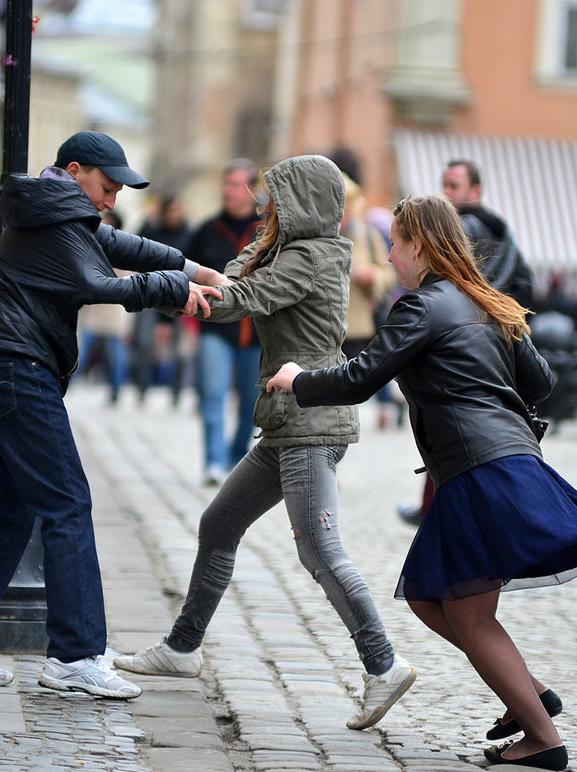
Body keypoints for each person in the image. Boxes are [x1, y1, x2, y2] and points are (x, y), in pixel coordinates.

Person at [266, 194, 577, 769]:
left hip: (478, 469)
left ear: (418, 244)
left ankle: (543, 738)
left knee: (467, 613)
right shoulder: (491, 303)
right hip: (504, 463)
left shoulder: (421, 307)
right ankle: (531, 694)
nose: (389, 255)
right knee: (427, 595)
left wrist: (297, 379)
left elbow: (362, 377)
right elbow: (539, 384)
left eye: (394, 243)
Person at [0, 130, 224, 699]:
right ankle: (76, 656)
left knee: (6, 516)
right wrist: (176, 289)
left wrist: (195, 269)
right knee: (68, 504)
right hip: (16, 369)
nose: (110, 199)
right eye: (106, 187)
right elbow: (95, 282)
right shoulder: (57, 216)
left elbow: (121, 247)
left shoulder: (52, 209)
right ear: (74, 170)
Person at [114, 155, 416, 730]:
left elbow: (242, 300)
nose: (263, 205)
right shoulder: (294, 249)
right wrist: (219, 268)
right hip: (286, 421)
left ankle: (384, 664)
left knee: (320, 551)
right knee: (219, 525)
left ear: (301, 200)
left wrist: (154, 292)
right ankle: (182, 649)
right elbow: (240, 278)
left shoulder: (311, 255)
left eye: (274, 196)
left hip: (309, 421)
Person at [399, 159, 534, 526]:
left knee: (450, 423)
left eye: (453, 186)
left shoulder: (463, 226)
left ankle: (437, 513)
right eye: (443, 184)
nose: (446, 192)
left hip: (460, 336)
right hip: (495, 338)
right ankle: (456, 513)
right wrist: (502, 311)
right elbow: (527, 284)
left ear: (475, 191)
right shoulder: (503, 231)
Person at [185, 159, 263, 485]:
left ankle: (236, 458)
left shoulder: (268, 230)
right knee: (213, 394)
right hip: (214, 327)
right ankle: (214, 462)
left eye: (235, 185)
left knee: (251, 403)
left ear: (252, 190)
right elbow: (184, 271)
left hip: (257, 333)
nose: (227, 191)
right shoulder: (207, 229)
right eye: (225, 184)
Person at [340, 177, 398, 429]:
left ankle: (382, 408)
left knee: (356, 381)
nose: (342, 212)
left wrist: (373, 276)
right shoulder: (314, 238)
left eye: (346, 205)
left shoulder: (366, 235)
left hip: (358, 325)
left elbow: (389, 273)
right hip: (322, 326)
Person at [133, 194, 194, 405]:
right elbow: (136, 245)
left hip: (182, 294)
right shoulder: (153, 230)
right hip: (151, 293)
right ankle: (141, 388)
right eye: (170, 211)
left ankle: (177, 392)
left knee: (180, 350)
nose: (174, 216)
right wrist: (149, 218)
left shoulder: (190, 234)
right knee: (144, 343)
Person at [75, 209, 132, 404]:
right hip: (96, 308)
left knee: (115, 355)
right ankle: (69, 382)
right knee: (82, 350)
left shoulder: (122, 248)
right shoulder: (92, 245)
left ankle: (116, 388)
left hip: (113, 309)